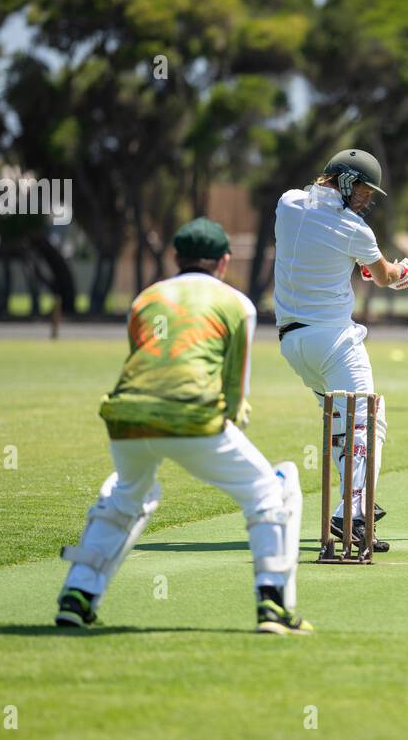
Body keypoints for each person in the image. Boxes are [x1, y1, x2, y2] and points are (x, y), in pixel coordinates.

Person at [55, 217, 311, 635]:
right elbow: (235, 392)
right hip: (194, 418)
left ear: (176, 258)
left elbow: (142, 362)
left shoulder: (145, 298)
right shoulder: (237, 303)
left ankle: (77, 594)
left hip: (125, 418)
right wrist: (224, 441)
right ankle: (272, 604)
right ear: (224, 262)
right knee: (271, 488)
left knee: (127, 494)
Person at [273, 149, 408, 555]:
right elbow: (385, 276)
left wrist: (369, 265)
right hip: (334, 343)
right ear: (347, 181)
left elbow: (321, 245)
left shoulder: (287, 204)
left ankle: (352, 508)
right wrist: (400, 274)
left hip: (292, 344)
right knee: (369, 422)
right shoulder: (355, 229)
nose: (367, 200)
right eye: (365, 190)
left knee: (342, 424)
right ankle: (351, 511)